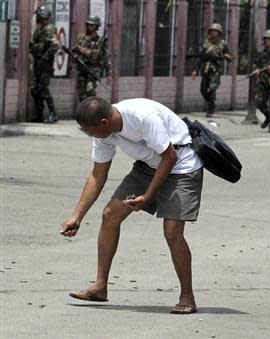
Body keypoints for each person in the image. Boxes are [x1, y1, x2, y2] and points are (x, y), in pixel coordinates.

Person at [60, 97, 204, 315]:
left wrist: (147, 196)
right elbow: (98, 175)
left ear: (104, 123)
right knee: (110, 215)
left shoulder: (142, 117)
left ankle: (187, 296)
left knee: (172, 232)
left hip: (182, 166)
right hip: (148, 166)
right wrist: (76, 216)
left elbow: (170, 157)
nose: (90, 136)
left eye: (90, 131)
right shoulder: (104, 133)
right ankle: (100, 287)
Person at [192, 23, 232, 117]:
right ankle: (211, 103)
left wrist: (226, 56)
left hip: (215, 71)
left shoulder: (223, 44)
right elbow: (200, 57)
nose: (213, 33)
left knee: (212, 89)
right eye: (212, 31)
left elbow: (230, 57)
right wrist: (195, 70)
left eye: (215, 31)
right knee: (203, 90)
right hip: (205, 69)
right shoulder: (206, 43)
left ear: (219, 33)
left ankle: (210, 109)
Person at [28, 6, 59, 123]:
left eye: (38, 16)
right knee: (36, 90)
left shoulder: (49, 29)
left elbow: (51, 46)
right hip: (38, 63)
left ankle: (53, 114)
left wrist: (34, 48)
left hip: (44, 64)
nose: (37, 18)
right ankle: (39, 115)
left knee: (43, 89)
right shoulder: (41, 29)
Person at [73, 15, 112, 102]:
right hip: (82, 69)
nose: (89, 27)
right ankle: (84, 113)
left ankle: (94, 112)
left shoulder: (100, 41)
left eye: (92, 25)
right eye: (88, 24)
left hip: (93, 70)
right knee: (82, 94)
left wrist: (109, 73)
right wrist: (76, 54)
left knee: (90, 92)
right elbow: (75, 51)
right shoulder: (81, 38)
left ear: (97, 27)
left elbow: (102, 56)